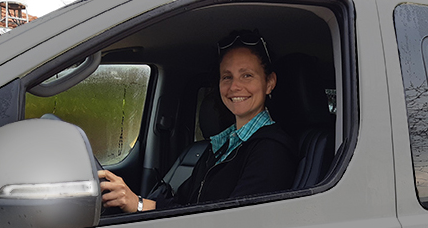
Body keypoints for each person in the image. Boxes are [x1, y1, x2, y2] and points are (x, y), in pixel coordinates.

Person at [98, 29, 298, 212]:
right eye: (226, 77)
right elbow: (185, 204)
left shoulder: (272, 150)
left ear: (269, 83)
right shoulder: (221, 145)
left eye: (247, 75)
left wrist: (139, 205)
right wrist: (134, 202)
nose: (235, 86)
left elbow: (238, 225)